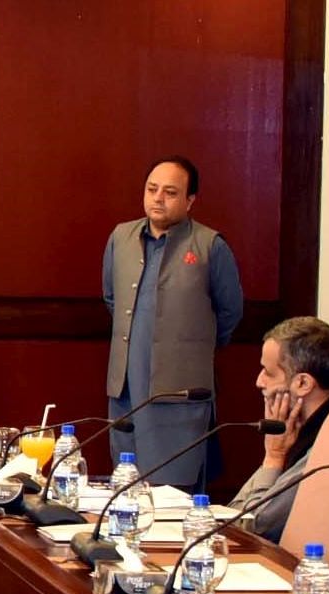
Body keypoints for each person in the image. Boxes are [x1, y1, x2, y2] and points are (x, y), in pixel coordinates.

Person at [103, 155, 243, 487]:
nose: (158, 199)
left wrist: (189, 346)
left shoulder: (210, 246)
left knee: (174, 494)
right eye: (152, 189)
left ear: (190, 200)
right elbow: (111, 298)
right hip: (125, 390)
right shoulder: (121, 238)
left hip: (180, 397)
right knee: (126, 489)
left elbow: (230, 312)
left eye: (170, 192)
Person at [231, 317, 329, 542]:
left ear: (303, 383)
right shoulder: (295, 430)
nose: (259, 382)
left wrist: (273, 457)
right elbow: (231, 512)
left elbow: (254, 526)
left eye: (268, 373)